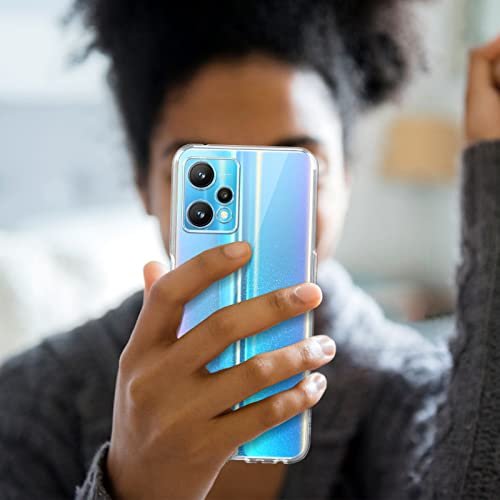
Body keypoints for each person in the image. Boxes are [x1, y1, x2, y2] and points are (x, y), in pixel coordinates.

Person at [0, 1, 499, 498]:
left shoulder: (409, 390)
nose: (251, 225)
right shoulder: (27, 404)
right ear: (144, 187)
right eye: (206, 175)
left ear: (346, 179)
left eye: (291, 168)